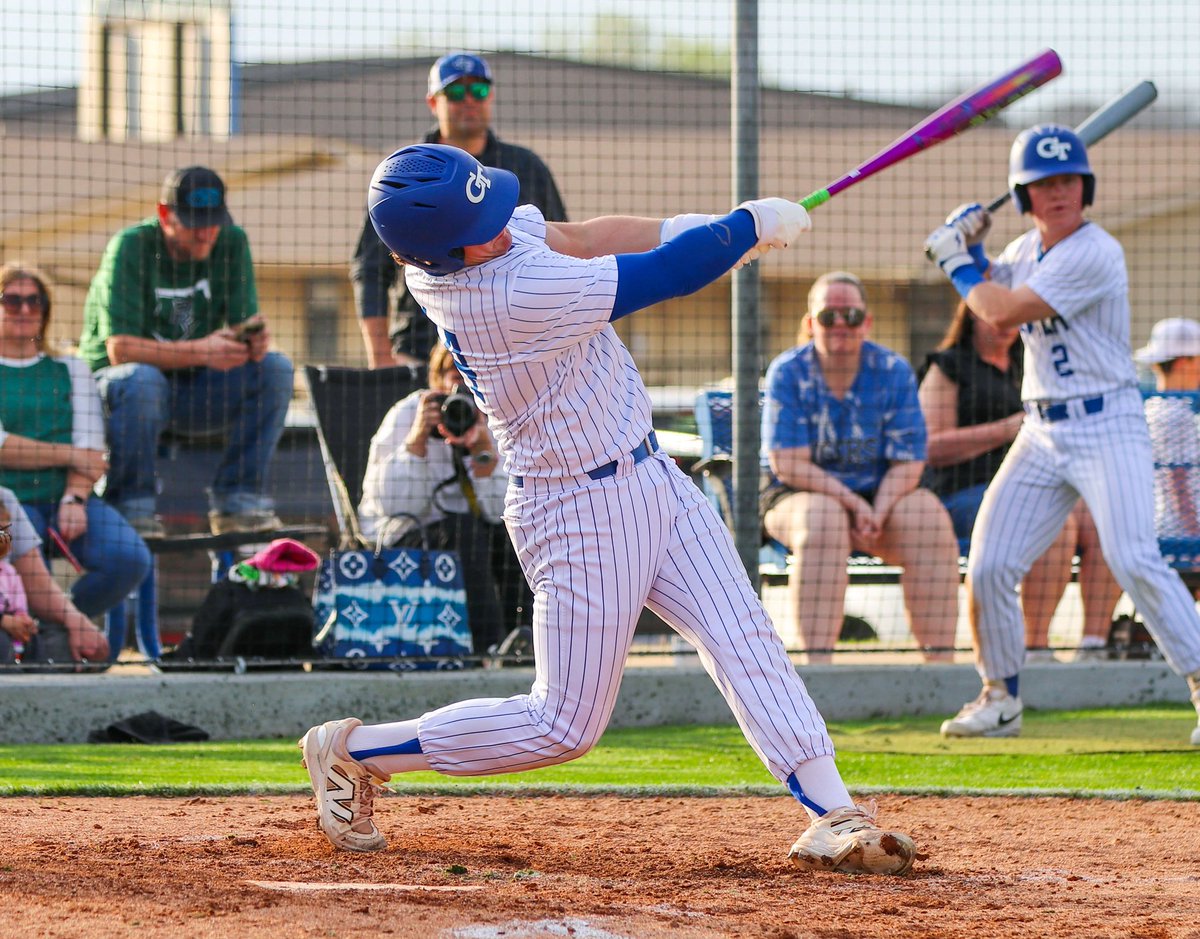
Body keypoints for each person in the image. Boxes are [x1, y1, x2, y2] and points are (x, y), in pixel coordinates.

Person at [299, 143, 918, 874]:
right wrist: (744, 227)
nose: (502, 228)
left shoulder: (473, 240)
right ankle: (356, 750)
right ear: (435, 255)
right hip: (576, 512)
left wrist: (704, 227)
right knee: (562, 725)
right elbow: (663, 276)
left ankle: (833, 814)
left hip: (653, 476)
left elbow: (587, 235)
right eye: (481, 227)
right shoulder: (504, 295)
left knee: (745, 638)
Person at [923, 123, 1200, 744]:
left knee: (1133, 557)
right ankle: (1000, 696)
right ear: (1024, 195)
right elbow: (995, 285)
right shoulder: (1025, 249)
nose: (1060, 193)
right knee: (989, 565)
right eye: (1045, 183)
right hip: (1042, 429)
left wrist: (955, 260)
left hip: (1107, 423)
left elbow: (998, 310)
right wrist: (972, 246)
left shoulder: (1096, 251)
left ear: (1086, 187)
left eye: (1070, 180)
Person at [78, 166, 294, 539]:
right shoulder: (130, 246)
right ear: (165, 214)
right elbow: (121, 351)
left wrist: (252, 342)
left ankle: (238, 501)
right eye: (195, 223)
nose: (206, 233)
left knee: (276, 368)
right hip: (119, 398)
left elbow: (241, 327)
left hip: (193, 391)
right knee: (142, 379)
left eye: (213, 222)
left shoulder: (231, 242)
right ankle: (132, 507)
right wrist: (203, 352)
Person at [760, 271, 961, 664]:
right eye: (828, 316)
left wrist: (878, 509)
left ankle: (940, 670)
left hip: (881, 494)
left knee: (929, 519)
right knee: (824, 520)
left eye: (850, 316)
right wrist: (852, 503)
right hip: (800, 494)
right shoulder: (788, 372)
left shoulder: (893, 370)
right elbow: (789, 464)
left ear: (866, 322)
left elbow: (909, 461)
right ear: (810, 323)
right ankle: (817, 673)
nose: (840, 325)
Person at [917, 299, 1122, 657]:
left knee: (1105, 515)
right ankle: (1035, 647)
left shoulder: (1031, 363)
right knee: (1052, 522)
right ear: (973, 313)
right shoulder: (948, 366)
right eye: (997, 314)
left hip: (1038, 481)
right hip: (962, 492)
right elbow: (929, 447)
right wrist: (1006, 430)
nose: (1005, 324)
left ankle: (1095, 645)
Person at [350, 51, 568, 369]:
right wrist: (381, 359)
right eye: (455, 91)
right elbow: (370, 268)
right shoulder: (405, 172)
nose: (468, 100)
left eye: (478, 89)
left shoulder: (525, 167)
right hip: (421, 349)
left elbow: (561, 251)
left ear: (490, 95)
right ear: (433, 102)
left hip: (514, 344)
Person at [0, 264, 152, 623]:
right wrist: (70, 455)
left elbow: (92, 448)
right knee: (24, 573)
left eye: (35, 301)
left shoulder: (71, 367)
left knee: (130, 559)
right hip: (8, 505)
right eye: (12, 300)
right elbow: (2, 447)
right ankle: (39, 634)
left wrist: (75, 499)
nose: (25, 309)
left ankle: (59, 629)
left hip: (65, 498)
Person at [358, 344, 532, 654]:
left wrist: (483, 455)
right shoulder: (407, 414)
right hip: (404, 538)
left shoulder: (494, 417)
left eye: (473, 376)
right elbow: (393, 507)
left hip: (472, 538)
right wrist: (417, 441)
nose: (462, 386)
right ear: (435, 379)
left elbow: (502, 512)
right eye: (455, 374)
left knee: (512, 536)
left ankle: (523, 640)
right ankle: (488, 646)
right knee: (463, 530)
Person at [0, 486, 109, 665]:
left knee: (61, 648)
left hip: (13, 631)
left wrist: (76, 620)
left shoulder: (3, 497)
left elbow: (37, 583)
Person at [1133, 318, 1200, 542]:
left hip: (1169, 531)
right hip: (1181, 537)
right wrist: (1194, 537)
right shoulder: (1173, 414)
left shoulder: (1156, 407)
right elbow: (1177, 481)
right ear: (1182, 362)